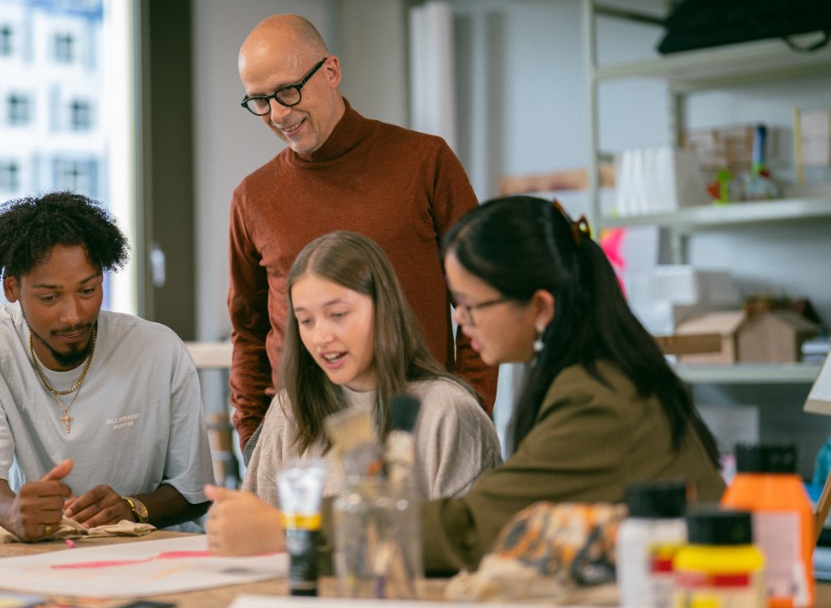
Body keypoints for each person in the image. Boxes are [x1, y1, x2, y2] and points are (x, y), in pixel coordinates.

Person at [206, 196, 725, 571]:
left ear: (540, 307)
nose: (464, 322)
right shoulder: (593, 373)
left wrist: (291, 530)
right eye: (306, 319)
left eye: (474, 305)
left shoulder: (594, 396)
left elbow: (476, 526)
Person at [228, 13, 497, 452]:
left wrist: (470, 406)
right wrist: (255, 438)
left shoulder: (424, 161)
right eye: (258, 101)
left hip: (420, 426)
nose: (277, 114)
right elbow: (248, 331)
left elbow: (483, 296)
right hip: (302, 436)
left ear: (331, 71)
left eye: (288, 91)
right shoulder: (252, 197)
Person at [0, 192, 213, 541]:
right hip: (43, 553)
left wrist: (133, 507)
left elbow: (194, 494)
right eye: (49, 297)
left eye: (87, 290)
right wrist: (10, 511)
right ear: (12, 288)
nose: (73, 315)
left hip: (151, 550)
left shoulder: (158, 350)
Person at [243, 230, 499, 505]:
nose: (320, 337)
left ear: (383, 308)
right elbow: (256, 523)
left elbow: (472, 537)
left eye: (338, 315)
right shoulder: (290, 409)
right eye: (306, 321)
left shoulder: (448, 411)